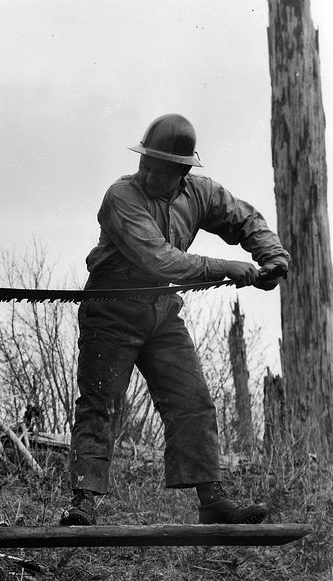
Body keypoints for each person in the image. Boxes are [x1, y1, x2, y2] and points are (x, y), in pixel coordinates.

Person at [61, 113, 290, 527]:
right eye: (145, 162)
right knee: (100, 404)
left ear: (182, 172)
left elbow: (244, 218)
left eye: (159, 168)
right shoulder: (121, 197)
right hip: (111, 312)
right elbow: (160, 259)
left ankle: (212, 501)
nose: (147, 172)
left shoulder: (200, 194)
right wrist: (227, 266)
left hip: (163, 313)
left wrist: (271, 256)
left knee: (193, 401)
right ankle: (83, 502)